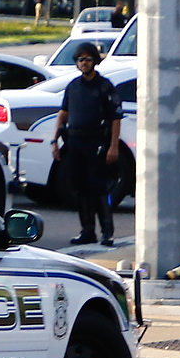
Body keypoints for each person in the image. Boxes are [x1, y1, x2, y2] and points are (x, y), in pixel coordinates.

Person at [52, 42, 121, 246]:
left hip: (98, 143)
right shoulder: (73, 86)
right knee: (80, 188)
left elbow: (116, 118)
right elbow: (63, 113)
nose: (84, 63)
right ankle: (87, 231)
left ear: (95, 61)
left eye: (88, 59)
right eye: (80, 59)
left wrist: (113, 146)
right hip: (75, 142)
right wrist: (54, 141)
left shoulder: (105, 86)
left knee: (99, 188)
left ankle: (107, 232)